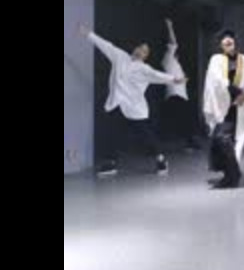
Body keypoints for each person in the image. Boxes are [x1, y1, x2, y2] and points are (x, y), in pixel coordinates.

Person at [79, 23, 185, 177]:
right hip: (116, 104)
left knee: (146, 137)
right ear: (135, 49)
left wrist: (175, 80)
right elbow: (105, 45)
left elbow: (158, 76)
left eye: (144, 51)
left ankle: (161, 159)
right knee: (111, 134)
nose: (140, 51)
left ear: (145, 56)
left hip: (135, 109)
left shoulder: (144, 69)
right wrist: (88, 34)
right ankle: (111, 163)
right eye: (139, 48)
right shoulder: (120, 56)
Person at [202, 30, 244, 190]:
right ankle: (231, 175)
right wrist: (236, 91)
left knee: (226, 139)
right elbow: (216, 79)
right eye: (224, 40)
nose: (227, 41)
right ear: (220, 45)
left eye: (230, 39)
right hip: (224, 104)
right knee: (220, 139)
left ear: (235, 41)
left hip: (240, 105)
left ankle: (232, 176)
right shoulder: (216, 59)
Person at [161, 19, 201, 151]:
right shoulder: (168, 60)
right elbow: (173, 43)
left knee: (185, 120)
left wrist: (184, 80)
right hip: (174, 95)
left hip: (181, 95)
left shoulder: (177, 64)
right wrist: (170, 27)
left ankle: (190, 142)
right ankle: (189, 142)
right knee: (184, 120)